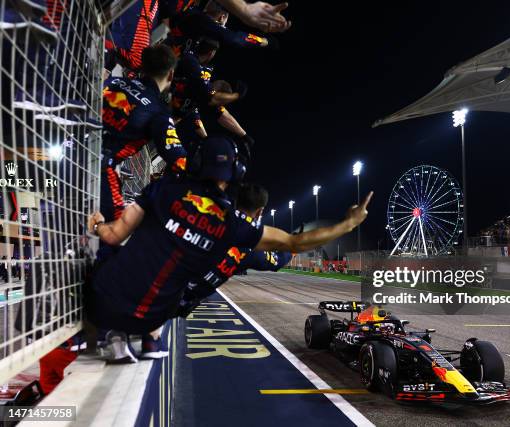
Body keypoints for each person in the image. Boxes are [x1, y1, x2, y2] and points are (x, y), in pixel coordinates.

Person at [86, 136, 372, 361]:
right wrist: (348, 224)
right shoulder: (233, 226)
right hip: (156, 313)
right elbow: (292, 244)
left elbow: (113, 235)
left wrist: (97, 225)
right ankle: (148, 339)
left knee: (118, 251)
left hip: (103, 302)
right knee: (178, 283)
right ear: (235, 173)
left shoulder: (163, 189)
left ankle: (110, 333)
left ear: (196, 163)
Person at [100, 44, 187, 231]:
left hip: (65, 147)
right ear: (170, 75)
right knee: (116, 229)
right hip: (97, 168)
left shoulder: (113, 81)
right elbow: (179, 159)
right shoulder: (159, 112)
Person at [176, 183, 293, 317]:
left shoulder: (212, 214)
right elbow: (276, 261)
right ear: (260, 211)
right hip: (176, 299)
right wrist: (290, 249)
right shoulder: (250, 243)